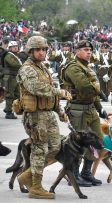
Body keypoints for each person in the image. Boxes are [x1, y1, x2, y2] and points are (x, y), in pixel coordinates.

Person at [16, 36, 71, 199]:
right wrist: (58, 92)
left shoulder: (43, 68)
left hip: (47, 114)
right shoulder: (26, 68)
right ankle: (36, 187)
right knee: (40, 150)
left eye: (44, 49)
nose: (41, 52)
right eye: (38, 50)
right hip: (35, 115)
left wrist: (59, 110)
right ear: (30, 51)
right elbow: (35, 88)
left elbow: (49, 92)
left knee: (55, 147)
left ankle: (27, 175)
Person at [61, 40, 103, 186]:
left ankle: (86, 172)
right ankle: (73, 174)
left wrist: (99, 107)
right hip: (77, 109)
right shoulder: (73, 67)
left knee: (97, 141)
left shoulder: (87, 67)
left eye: (90, 50)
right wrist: (99, 88)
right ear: (77, 51)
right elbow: (84, 86)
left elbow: (93, 93)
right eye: (85, 49)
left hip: (90, 108)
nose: (89, 52)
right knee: (77, 144)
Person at [3, 41, 22, 119]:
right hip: (9, 77)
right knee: (9, 95)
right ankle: (8, 112)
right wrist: (22, 65)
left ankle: (9, 108)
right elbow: (13, 64)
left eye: (16, 46)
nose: (15, 47)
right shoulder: (8, 55)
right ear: (10, 48)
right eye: (13, 46)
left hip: (15, 77)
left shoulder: (15, 55)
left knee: (17, 94)